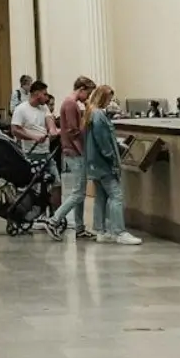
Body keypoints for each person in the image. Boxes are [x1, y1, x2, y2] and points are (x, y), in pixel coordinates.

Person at [83, 85, 142, 245]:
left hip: (94, 163)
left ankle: (100, 230)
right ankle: (119, 232)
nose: (110, 103)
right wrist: (113, 159)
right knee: (116, 196)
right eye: (109, 99)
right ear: (103, 98)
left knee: (101, 197)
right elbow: (103, 142)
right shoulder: (99, 116)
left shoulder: (91, 113)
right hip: (104, 164)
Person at [46, 77, 97, 241]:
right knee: (78, 192)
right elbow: (75, 132)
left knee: (79, 192)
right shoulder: (71, 104)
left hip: (73, 151)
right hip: (74, 152)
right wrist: (86, 119)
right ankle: (54, 220)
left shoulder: (71, 104)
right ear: (81, 89)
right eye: (87, 93)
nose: (88, 97)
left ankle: (80, 226)